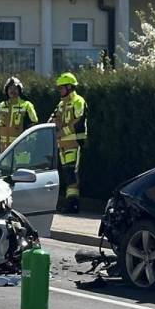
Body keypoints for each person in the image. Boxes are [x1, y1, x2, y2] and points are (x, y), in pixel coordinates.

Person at [49, 72, 87, 214]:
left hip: (74, 143)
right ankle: (69, 202)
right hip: (62, 144)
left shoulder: (78, 101)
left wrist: (61, 131)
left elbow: (78, 122)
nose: (60, 90)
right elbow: (53, 118)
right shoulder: (61, 104)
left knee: (72, 173)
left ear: (70, 87)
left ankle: (73, 204)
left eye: (62, 88)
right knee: (66, 173)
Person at [0, 76, 38, 155]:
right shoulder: (2, 105)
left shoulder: (26, 105)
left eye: (15, 89)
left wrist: (30, 142)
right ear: (6, 91)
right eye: (10, 89)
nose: (12, 91)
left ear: (19, 90)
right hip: (4, 148)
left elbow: (34, 124)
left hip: (21, 147)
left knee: (21, 167)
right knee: (4, 167)